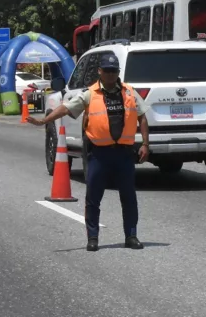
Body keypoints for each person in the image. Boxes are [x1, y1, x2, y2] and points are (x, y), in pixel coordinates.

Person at [27, 52, 149, 252]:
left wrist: (145, 144)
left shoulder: (129, 92)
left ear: (118, 72)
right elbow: (66, 108)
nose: (110, 75)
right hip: (99, 155)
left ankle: (131, 236)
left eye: (114, 71)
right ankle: (93, 238)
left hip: (124, 154)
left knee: (129, 197)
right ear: (99, 71)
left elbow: (142, 117)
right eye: (107, 71)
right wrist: (43, 120)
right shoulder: (89, 94)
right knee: (93, 197)